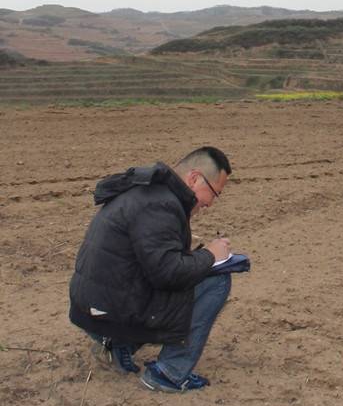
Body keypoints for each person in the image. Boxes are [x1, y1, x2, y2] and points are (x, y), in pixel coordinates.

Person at [69, 146, 234, 391]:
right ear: (194, 178)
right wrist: (210, 256)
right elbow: (168, 274)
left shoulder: (149, 192)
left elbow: (154, 262)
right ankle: (169, 372)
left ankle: (117, 344)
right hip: (108, 309)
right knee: (216, 280)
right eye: (214, 193)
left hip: (93, 304)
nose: (211, 203)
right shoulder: (161, 205)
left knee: (196, 272)